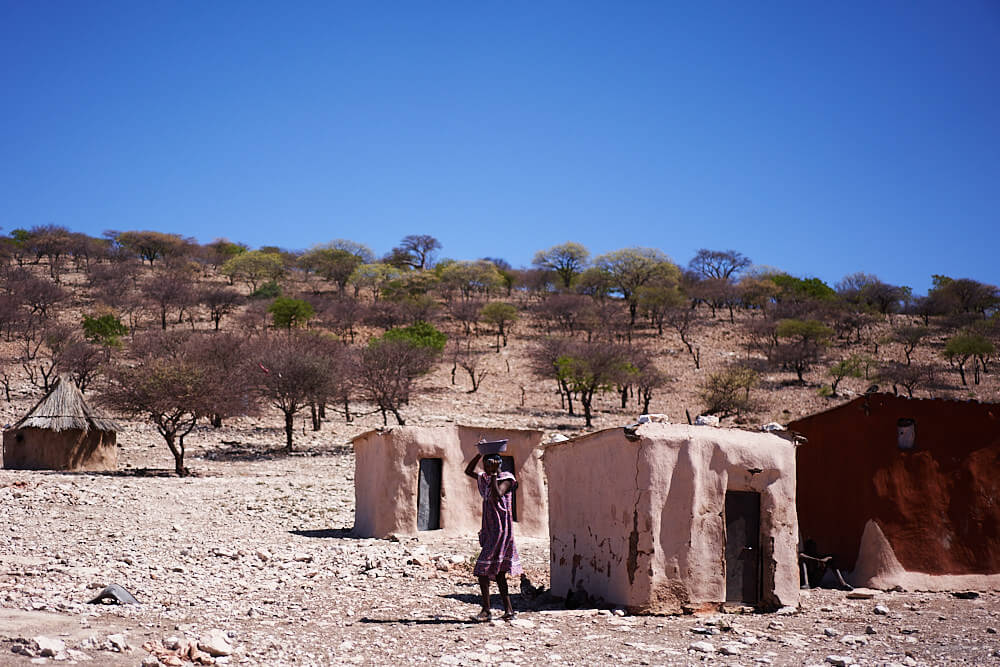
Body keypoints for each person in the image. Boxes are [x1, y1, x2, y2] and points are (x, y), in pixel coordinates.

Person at [464, 452, 522, 622]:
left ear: (497, 465)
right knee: (499, 574)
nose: (485, 468)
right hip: (491, 529)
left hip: (501, 531)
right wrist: (478, 454)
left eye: (489, 465)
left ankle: (486, 611)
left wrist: (495, 473)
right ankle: (509, 611)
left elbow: (497, 495)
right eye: (486, 464)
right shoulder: (486, 478)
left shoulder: (506, 478)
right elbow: (468, 471)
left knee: (482, 571)